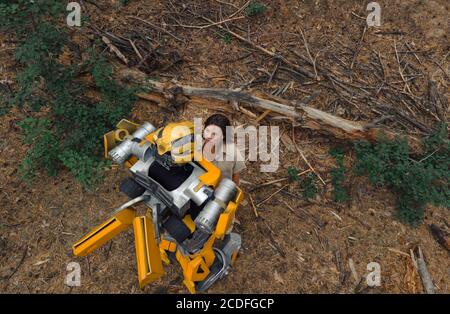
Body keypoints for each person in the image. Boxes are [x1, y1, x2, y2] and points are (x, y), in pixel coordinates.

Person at [202, 113, 246, 185]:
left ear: (223, 135)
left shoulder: (234, 153)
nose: (208, 136)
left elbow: (236, 176)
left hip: (221, 190)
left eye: (214, 134)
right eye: (207, 131)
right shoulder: (196, 146)